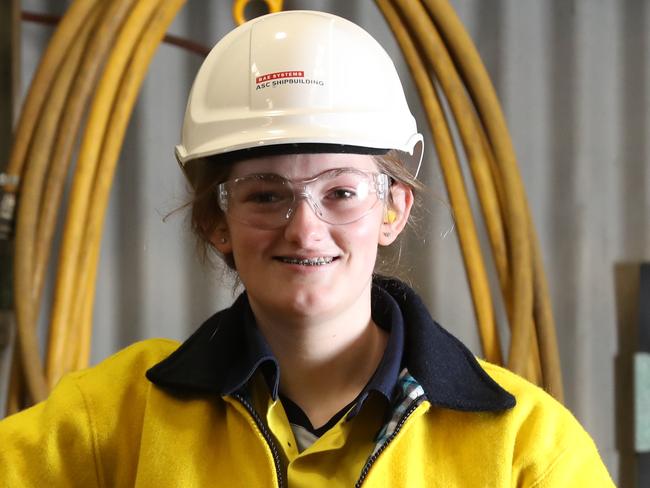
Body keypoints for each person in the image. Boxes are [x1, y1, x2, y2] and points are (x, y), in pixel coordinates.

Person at [0, 10, 614, 487]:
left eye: (341, 192)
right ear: (219, 220)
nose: (304, 228)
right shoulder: (113, 422)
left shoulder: (525, 448)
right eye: (265, 196)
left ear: (393, 210)